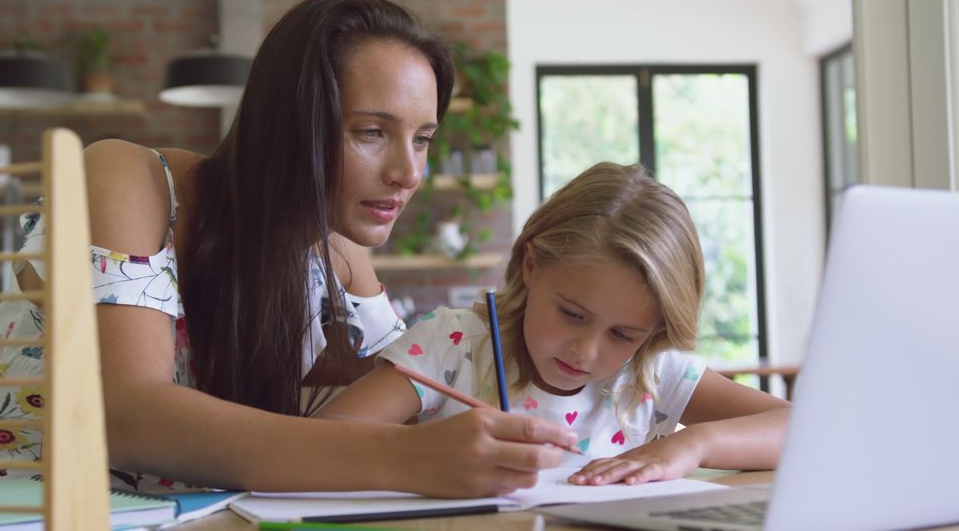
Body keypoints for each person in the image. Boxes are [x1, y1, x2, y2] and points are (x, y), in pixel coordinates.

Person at [0, 0, 577, 497]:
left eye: (423, 138)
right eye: (372, 132)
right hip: (14, 516)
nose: (409, 173)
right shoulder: (129, 180)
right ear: (290, 123)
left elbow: (420, 397)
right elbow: (129, 418)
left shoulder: (343, 259)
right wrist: (407, 456)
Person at [317, 162, 791, 485]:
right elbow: (320, 440)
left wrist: (696, 444)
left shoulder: (652, 372)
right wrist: (420, 453)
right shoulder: (454, 345)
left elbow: (803, 430)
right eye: (572, 314)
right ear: (531, 265)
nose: (586, 350)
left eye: (622, 334)